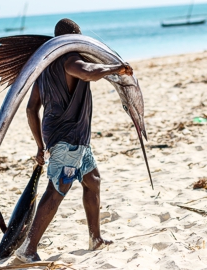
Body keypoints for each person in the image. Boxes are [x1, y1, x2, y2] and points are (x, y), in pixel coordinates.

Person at [16, 18, 133, 262]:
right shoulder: (69, 59)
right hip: (68, 138)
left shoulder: (43, 68)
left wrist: (40, 145)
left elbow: (31, 109)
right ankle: (28, 248)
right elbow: (87, 73)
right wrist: (115, 69)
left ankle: (95, 238)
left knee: (93, 180)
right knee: (57, 189)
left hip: (72, 138)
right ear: (73, 40)